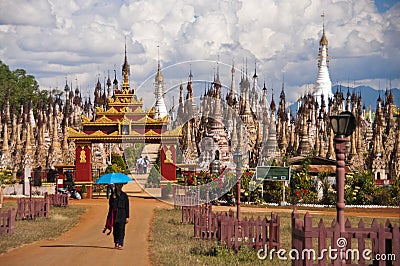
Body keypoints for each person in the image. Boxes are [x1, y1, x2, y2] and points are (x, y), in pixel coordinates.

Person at [108, 183, 130, 249]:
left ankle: (121, 243)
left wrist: (127, 216)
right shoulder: (113, 195)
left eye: (120, 185)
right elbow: (111, 206)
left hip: (122, 214)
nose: (119, 187)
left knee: (121, 229)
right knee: (115, 230)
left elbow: (127, 206)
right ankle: (116, 242)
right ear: (115, 186)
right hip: (115, 214)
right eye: (118, 185)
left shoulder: (124, 196)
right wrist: (113, 198)